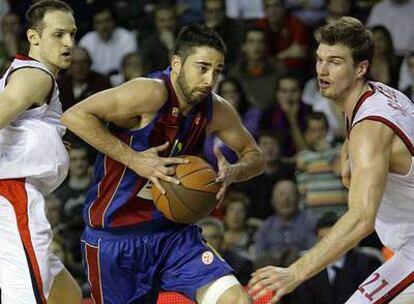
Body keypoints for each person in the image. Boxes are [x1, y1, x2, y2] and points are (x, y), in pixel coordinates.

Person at [62, 24, 265, 304]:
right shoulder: (149, 93)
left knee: (236, 300)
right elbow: (75, 116)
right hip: (114, 238)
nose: (210, 80)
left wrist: (235, 171)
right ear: (177, 63)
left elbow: (256, 157)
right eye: (202, 68)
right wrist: (136, 160)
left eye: (217, 71)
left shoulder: (215, 108)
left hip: (173, 235)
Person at [249, 16, 414, 303]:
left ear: (361, 67)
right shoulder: (384, 95)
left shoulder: (370, 129)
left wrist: (295, 272)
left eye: (335, 62)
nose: (322, 70)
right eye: (320, 59)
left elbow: (362, 219)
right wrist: (348, 151)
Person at [0, 1, 82, 304]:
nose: (69, 43)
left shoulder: (30, 75)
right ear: (34, 37)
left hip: (14, 195)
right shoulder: (36, 76)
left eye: (72, 34)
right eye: (58, 35)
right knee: (26, 297)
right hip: (12, 196)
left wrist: (50, 142)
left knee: (67, 296)